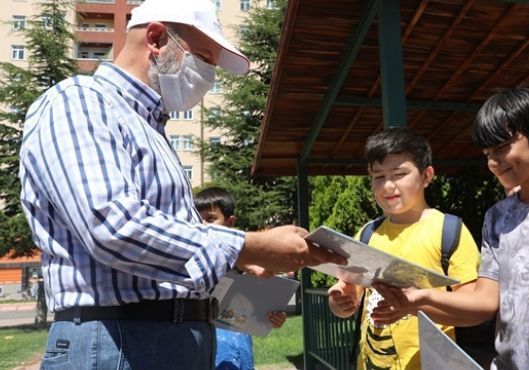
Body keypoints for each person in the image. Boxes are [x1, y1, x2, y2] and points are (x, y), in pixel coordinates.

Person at [18, 0, 345, 368]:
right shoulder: (79, 101)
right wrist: (248, 247)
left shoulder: (151, 128)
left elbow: (162, 254)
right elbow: (112, 227)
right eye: (203, 58)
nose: (208, 76)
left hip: (168, 340)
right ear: (156, 38)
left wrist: (238, 270)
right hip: (116, 341)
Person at [371, 88, 529, 369]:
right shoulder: (497, 218)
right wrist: (419, 299)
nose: (492, 162)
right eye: (487, 153)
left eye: (502, 147)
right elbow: (486, 302)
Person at [327, 127, 481, 370]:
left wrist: (417, 303)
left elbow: (473, 307)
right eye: (378, 176)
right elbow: (350, 290)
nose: (388, 186)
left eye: (399, 174)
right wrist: (339, 301)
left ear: (427, 176)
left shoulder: (449, 231)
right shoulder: (367, 233)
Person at [195, 187, 288, 370]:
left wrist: (274, 317)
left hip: (239, 354)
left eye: (211, 219)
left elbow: (258, 313)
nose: (203, 226)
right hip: (206, 353)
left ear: (230, 223)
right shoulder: (192, 267)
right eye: (198, 220)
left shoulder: (246, 267)